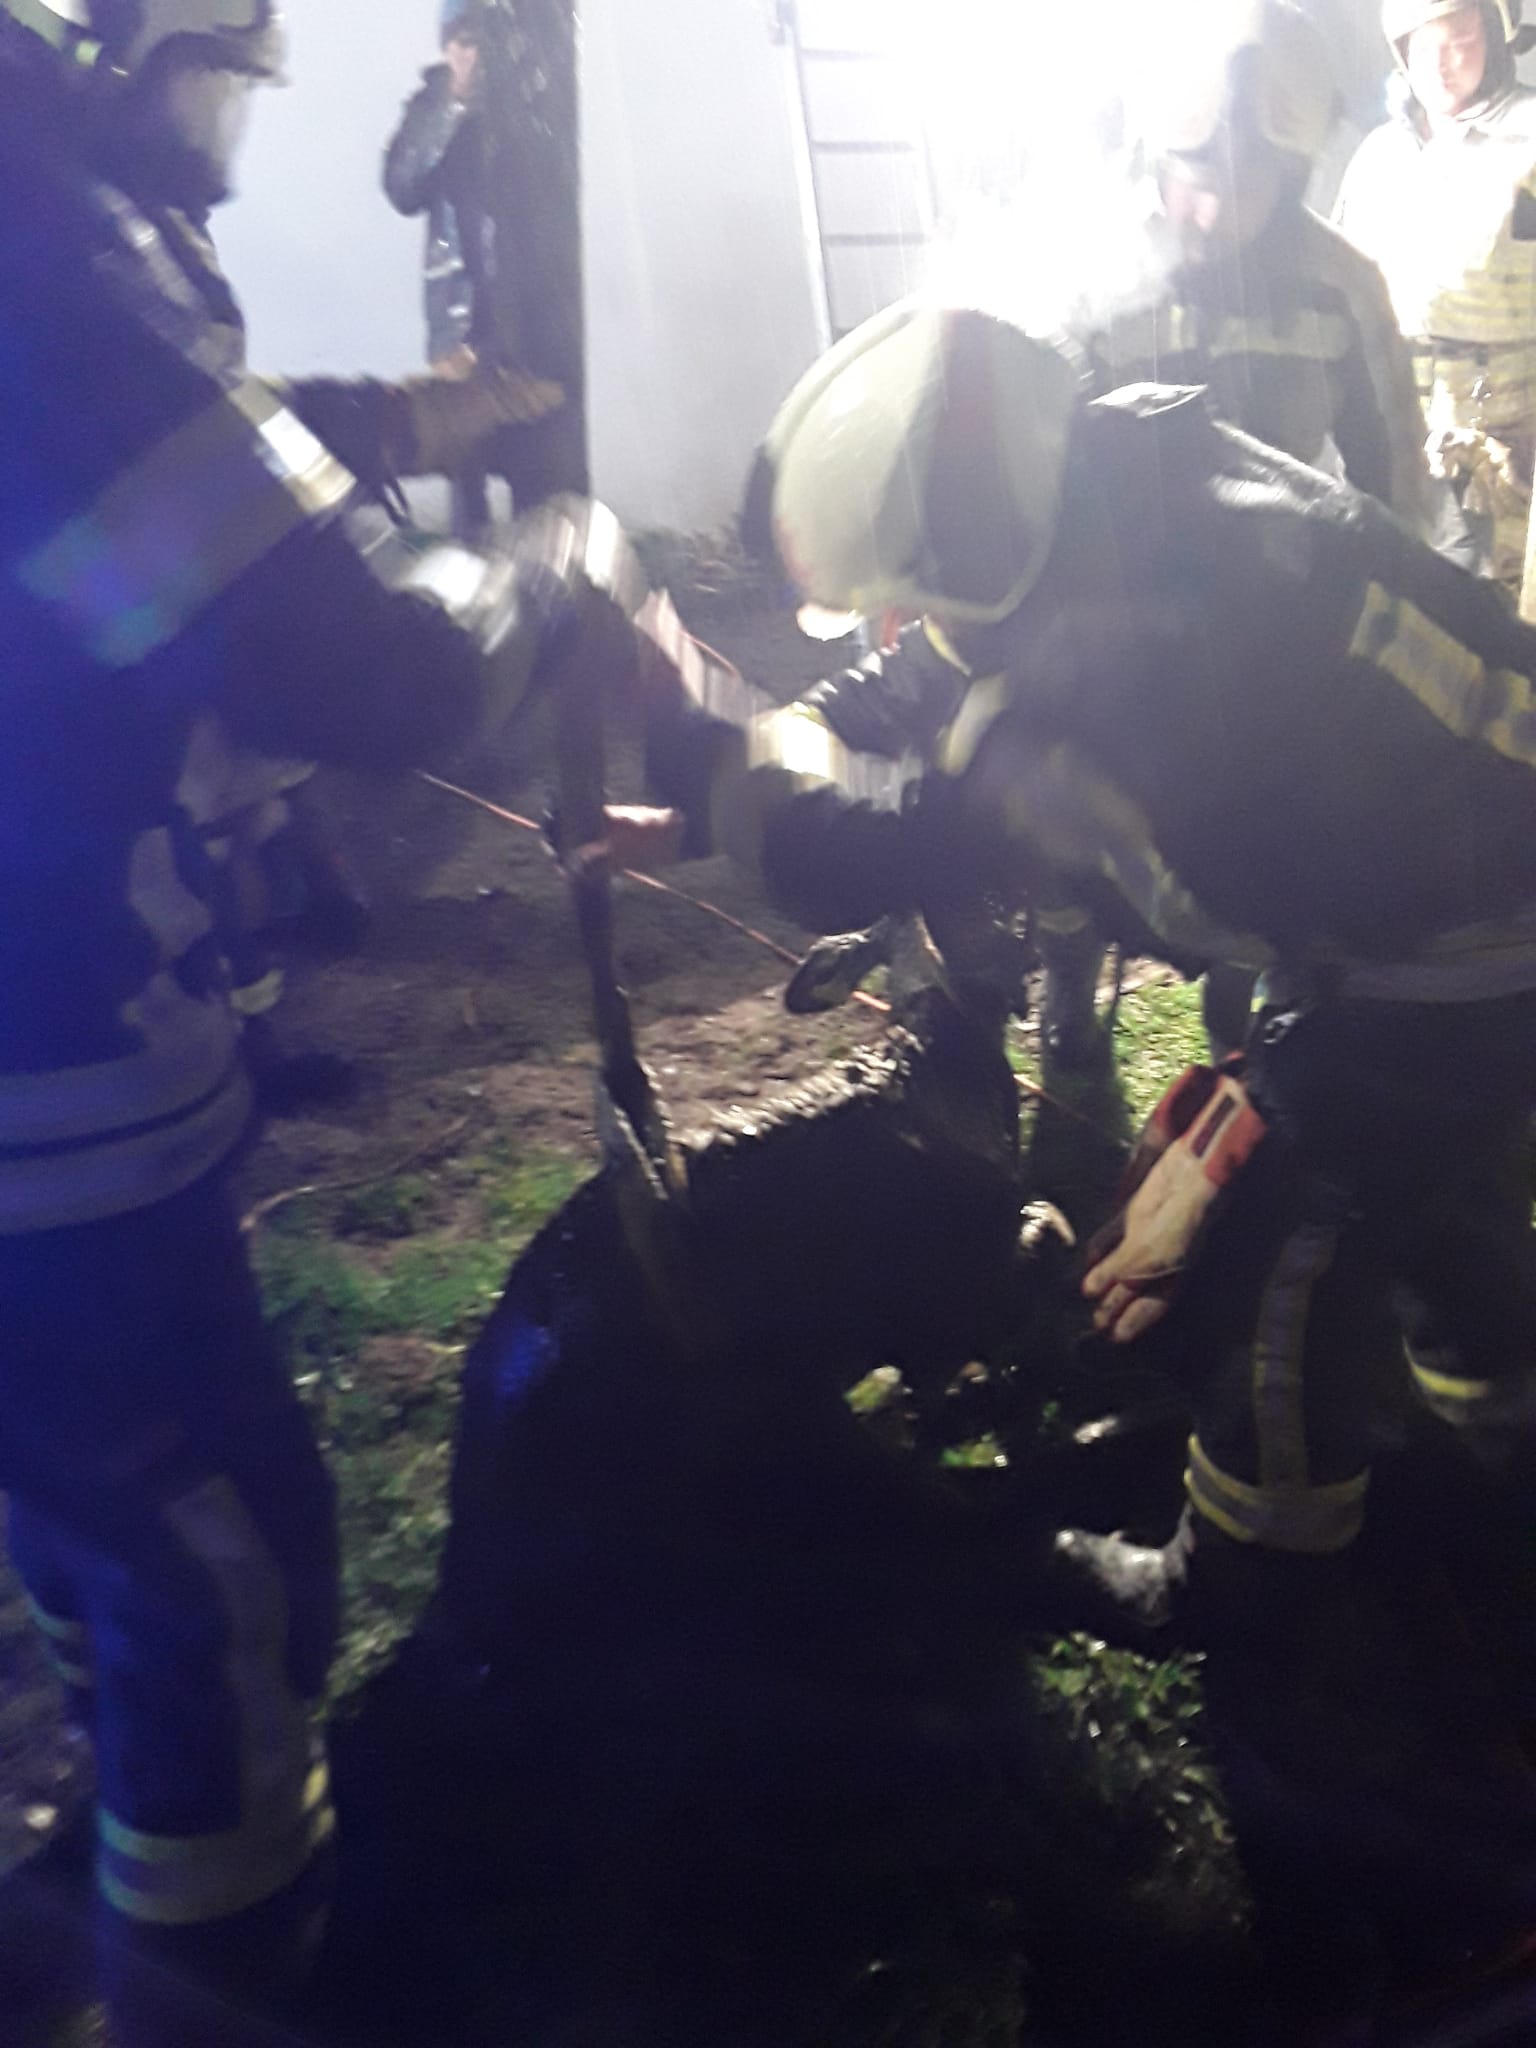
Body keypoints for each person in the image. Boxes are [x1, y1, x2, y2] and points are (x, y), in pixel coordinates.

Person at [0, 2, 634, 2039]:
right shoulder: (50, 240)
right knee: (218, 1557)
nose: (250, 114)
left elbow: (146, 489)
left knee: (105, 1519)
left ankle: (123, 1841)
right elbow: (358, 670)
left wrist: (393, 419)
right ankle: (223, 1963)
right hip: (44, 1069)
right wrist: (554, 562)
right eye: (244, 69)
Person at [625, 299, 1536, 1641]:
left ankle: (1252, 1581)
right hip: (1445, 888)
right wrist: (730, 782)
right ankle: (1502, 1446)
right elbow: (911, 682)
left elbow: (894, 842)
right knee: (1431, 1195)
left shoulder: (1158, 663)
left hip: (1465, 941)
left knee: (1275, 1239)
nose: (894, 620)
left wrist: (713, 754)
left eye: (909, 589)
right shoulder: (1105, 493)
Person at [1038, 0, 1431, 1068]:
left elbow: (1396, 489)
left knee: (1265, 818)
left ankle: (1249, 984)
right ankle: (1068, 962)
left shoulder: (1344, 287)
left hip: (1267, 614)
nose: (1216, 208)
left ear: (1294, 171)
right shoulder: (1089, 275)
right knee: (1068, 793)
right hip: (1113, 605)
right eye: (1197, 177)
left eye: (1250, 181)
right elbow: (1034, 466)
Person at [1336, 0, 1536, 607]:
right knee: (1415, 616)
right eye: (1421, 47)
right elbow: (1337, 294)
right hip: (1398, 443)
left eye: (1460, 39)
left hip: (1509, 450)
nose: (1440, 65)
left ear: (1496, 34)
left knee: (1505, 624)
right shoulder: (1380, 156)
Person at [385, 0, 585, 538]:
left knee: (544, 480)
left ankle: (547, 570)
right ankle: (470, 570)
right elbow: (401, 186)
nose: (472, 54)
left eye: (481, 41)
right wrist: (451, 103)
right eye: (462, 40)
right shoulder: (431, 106)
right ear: (446, 45)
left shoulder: (534, 101)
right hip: (461, 327)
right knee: (466, 480)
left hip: (532, 326)